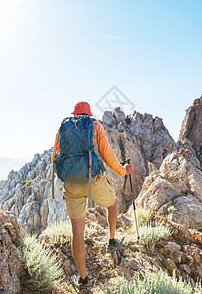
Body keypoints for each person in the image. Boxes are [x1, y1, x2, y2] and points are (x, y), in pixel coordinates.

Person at [51, 101, 133, 291]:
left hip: (70, 181)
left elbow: (55, 155)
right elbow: (107, 156)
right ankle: (112, 241)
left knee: (77, 233)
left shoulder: (64, 126)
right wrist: (123, 171)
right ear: (88, 113)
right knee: (112, 204)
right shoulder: (95, 125)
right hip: (93, 179)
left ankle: (82, 280)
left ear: (74, 114)